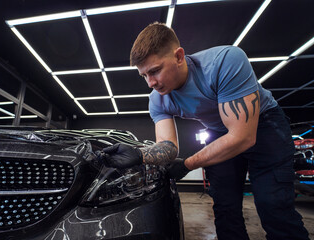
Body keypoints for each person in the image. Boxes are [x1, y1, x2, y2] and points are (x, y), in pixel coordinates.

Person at [100, 22, 309, 240]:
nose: (150, 83)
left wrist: (188, 164)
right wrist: (140, 154)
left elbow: (242, 137)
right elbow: (168, 146)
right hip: (219, 132)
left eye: (155, 71)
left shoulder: (225, 61)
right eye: (144, 75)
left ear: (179, 56)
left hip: (264, 125)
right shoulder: (157, 99)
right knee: (225, 209)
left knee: (273, 206)